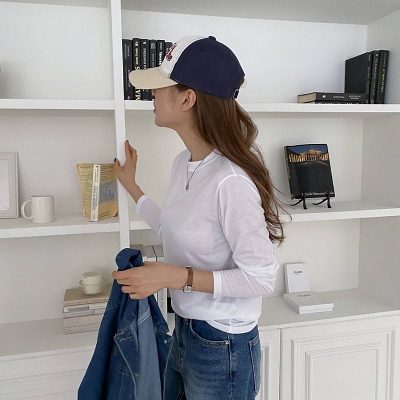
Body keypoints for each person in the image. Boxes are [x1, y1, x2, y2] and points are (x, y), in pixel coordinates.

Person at [112, 35, 285, 400]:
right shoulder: (183, 163)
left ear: (187, 99)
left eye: (161, 85)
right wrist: (133, 188)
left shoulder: (231, 181)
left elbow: (261, 278)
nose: (152, 94)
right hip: (186, 331)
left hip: (223, 345)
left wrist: (172, 276)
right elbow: (173, 227)